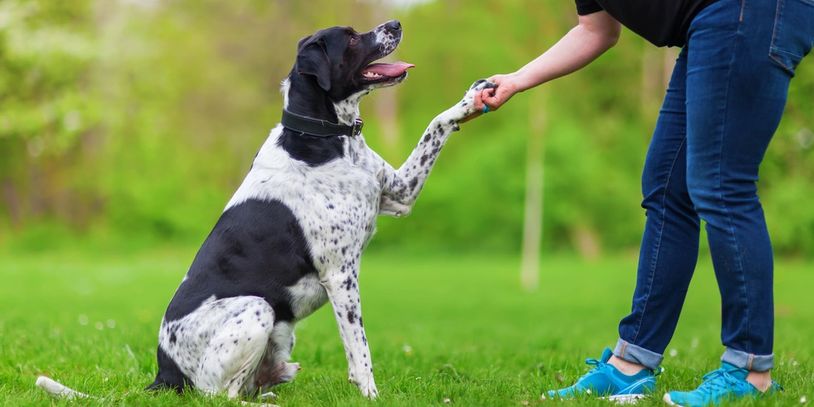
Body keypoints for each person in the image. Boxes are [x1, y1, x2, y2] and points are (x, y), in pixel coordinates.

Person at [470, 0, 813, 405]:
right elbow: (596, 31)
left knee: (722, 185)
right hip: (712, 24)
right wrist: (516, 79)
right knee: (667, 188)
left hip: (747, 12)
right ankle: (631, 364)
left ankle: (751, 370)